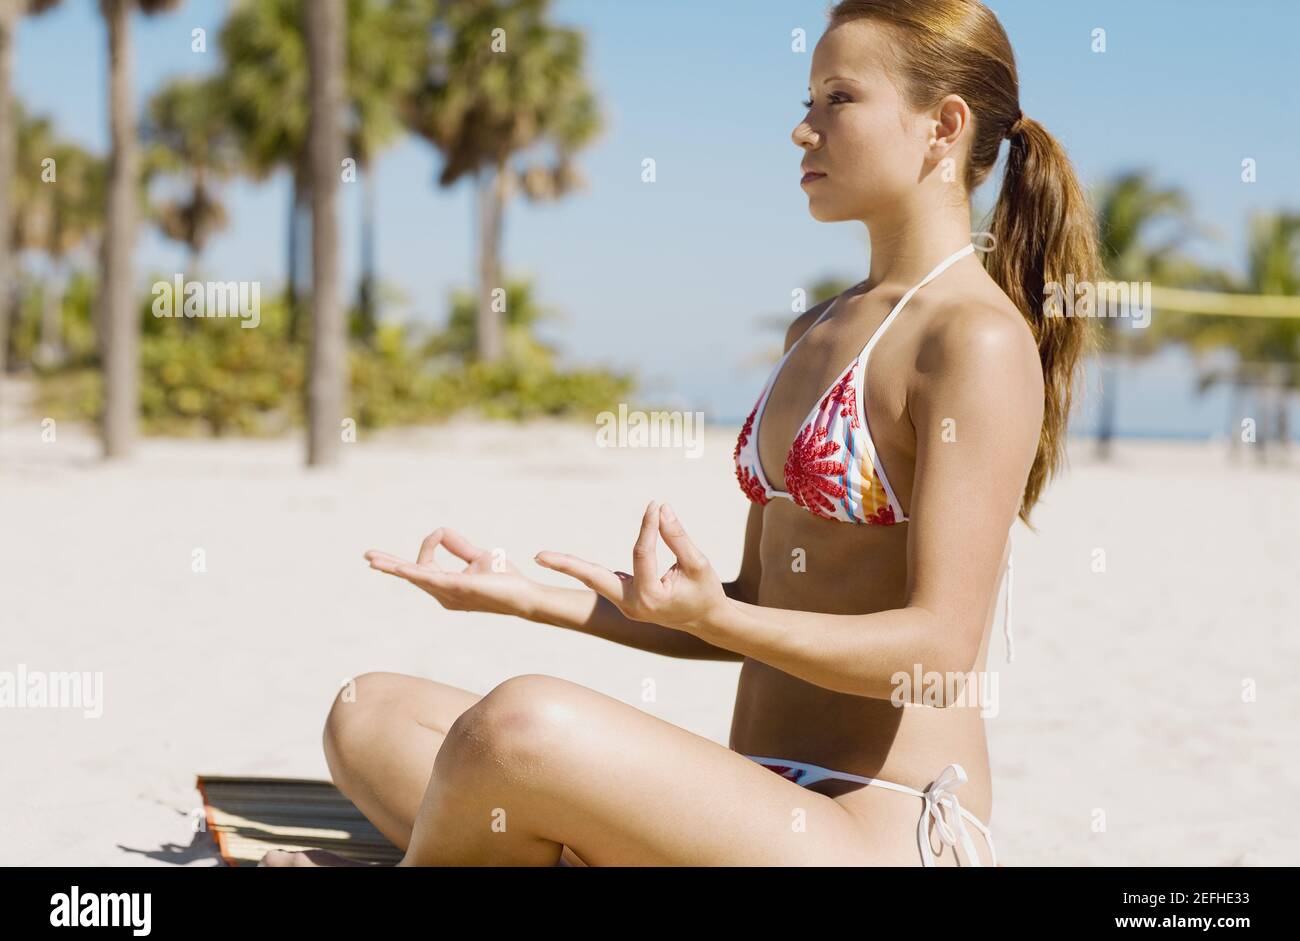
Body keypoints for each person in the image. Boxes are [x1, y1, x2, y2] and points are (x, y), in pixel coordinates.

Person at [262, 0, 1099, 867]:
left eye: (837, 100)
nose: (801, 130)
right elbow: (753, 605)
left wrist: (723, 622)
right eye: (807, 99)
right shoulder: (815, 329)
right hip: (756, 801)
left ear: (943, 126)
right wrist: (523, 593)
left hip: (874, 830)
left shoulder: (974, 339)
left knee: (519, 725)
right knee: (371, 712)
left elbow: (940, 647)